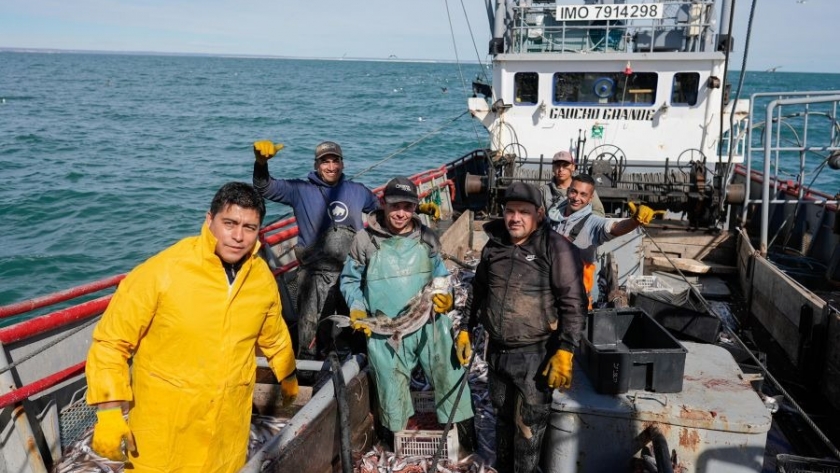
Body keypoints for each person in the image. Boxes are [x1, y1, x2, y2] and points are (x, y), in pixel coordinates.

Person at [85, 182, 297, 473]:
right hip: (163, 437)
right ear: (209, 220)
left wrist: (287, 373)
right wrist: (109, 411)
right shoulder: (162, 271)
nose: (238, 236)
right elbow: (111, 343)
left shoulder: (261, 278)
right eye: (230, 223)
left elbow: (273, 334)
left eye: (249, 227)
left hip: (227, 435)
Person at [456, 181, 587, 473]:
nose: (515, 218)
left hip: (535, 356)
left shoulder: (557, 248)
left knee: (528, 430)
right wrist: (465, 328)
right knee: (502, 420)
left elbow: (574, 304)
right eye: (510, 211)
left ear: (539, 214)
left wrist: (565, 350)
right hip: (497, 352)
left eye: (523, 212)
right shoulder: (495, 245)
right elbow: (478, 291)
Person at [340, 176, 475, 450]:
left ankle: (466, 440)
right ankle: (395, 444)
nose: (401, 213)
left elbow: (441, 276)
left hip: (428, 323)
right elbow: (350, 280)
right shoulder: (364, 240)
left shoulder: (427, 237)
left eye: (408, 206)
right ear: (382, 204)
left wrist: (445, 299)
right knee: (390, 384)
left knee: (449, 372)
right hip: (386, 327)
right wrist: (356, 307)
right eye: (394, 206)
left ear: (415, 207)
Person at [252, 140, 380, 361]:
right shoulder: (299, 191)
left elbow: (382, 212)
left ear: (342, 164)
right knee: (311, 331)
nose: (331, 167)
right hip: (314, 276)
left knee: (356, 328)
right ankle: (310, 375)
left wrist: (415, 214)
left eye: (335, 161)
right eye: (325, 162)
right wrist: (261, 163)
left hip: (352, 274)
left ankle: (358, 365)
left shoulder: (358, 191)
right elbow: (264, 187)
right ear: (316, 165)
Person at [547, 174, 663, 306]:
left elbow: (614, 228)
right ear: (568, 191)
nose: (577, 198)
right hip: (548, 292)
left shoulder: (592, 223)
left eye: (583, 194)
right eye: (574, 191)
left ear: (590, 199)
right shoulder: (552, 217)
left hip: (575, 300)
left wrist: (634, 221)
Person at [540, 150, 606, 217]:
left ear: (573, 167)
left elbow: (599, 213)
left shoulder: (585, 188)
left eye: (565, 165)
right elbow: (539, 216)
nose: (561, 169)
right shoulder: (544, 191)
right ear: (553, 168)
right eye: (557, 165)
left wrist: (578, 219)